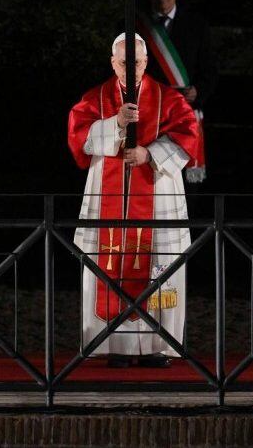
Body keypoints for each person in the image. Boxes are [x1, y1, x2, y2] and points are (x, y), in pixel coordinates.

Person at [67, 34, 201, 366]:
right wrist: (115, 124)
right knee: (109, 261)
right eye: (125, 63)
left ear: (146, 62)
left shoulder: (169, 98)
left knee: (159, 263)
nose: (131, 69)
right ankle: (115, 345)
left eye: (137, 62)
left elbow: (189, 134)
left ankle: (157, 345)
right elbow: (78, 136)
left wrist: (149, 153)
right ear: (113, 63)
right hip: (108, 191)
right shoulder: (96, 98)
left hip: (158, 190)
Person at [137, 0, 216, 181]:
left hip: (185, 115)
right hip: (150, 115)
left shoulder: (197, 25)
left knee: (185, 181)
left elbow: (210, 70)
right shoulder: (134, 26)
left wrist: (197, 91)